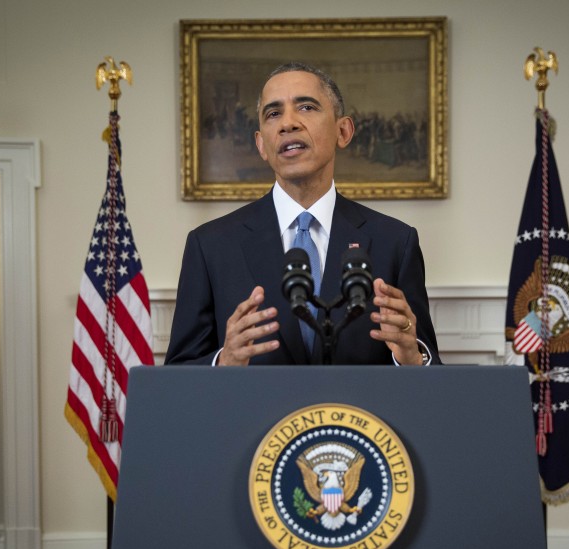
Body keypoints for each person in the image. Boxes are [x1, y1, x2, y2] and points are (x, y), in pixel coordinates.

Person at [165, 62, 439, 366]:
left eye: (306, 107)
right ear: (261, 145)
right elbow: (178, 374)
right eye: (273, 113)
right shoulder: (210, 246)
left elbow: (429, 379)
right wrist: (223, 361)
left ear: (343, 131)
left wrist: (412, 357)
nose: (288, 124)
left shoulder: (396, 243)